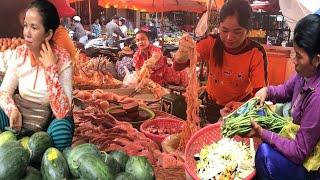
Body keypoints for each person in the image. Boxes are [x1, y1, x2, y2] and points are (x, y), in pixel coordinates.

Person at [248, 14, 320, 180]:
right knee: (259, 115)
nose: (294, 61)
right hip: (296, 138)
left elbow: (299, 152)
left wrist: (263, 133)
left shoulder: (317, 97)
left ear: (316, 60)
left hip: (310, 163)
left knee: (265, 155)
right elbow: (285, 91)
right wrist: (267, 91)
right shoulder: (304, 75)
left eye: (299, 56)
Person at [173, 0, 267, 123]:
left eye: (237, 32)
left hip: (240, 109)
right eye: (225, 30)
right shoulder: (210, 42)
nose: (229, 37)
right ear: (219, 26)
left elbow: (260, 94)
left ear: (248, 30)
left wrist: (242, 107)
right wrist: (182, 54)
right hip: (212, 105)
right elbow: (177, 67)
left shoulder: (256, 52)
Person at [0, 0, 73, 150]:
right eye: (26, 25)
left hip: (49, 122)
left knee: (62, 131)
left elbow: (63, 111)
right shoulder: (20, 53)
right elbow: (4, 92)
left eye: (34, 27)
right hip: (20, 114)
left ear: (48, 34)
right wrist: (12, 110)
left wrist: (51, 69)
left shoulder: (63, 59)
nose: (26, 32)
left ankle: (44, 159)